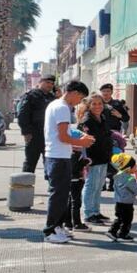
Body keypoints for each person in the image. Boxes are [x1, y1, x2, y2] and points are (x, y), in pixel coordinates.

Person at [42, 81, 94, 244]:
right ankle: (50, 230)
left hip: (60, 155)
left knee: (63, 194)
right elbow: (63, 136)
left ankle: (58, 227)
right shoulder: (62, 107)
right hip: (58, 157)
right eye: (81, 97)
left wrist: (79, 138)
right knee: (58, 195)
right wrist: (81, 143)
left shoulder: (57, 105)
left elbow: (67, 132)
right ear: (74, 92)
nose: (79, 102)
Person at [79, 93, 114, 225]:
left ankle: (96, 211)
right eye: (94, 104)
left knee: (99, 186)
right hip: (92, 157)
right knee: (91, 185)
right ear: (89, 105)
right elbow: (85, 140)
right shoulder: (87, 120)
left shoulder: (102, 117)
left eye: (100, 103)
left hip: (103, 156)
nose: (97, 106)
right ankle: (88, 214)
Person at [17, 74, 56, 173]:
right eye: (47, 82)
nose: (50, 85)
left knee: (49, 163)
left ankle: (51, 188)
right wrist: (26, 132)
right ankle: (25, 187)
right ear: (40, 82)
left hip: (48, 136)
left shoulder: (53, 98)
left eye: (52, 83)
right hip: (34, 135)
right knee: (30, 163)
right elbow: (22, 115)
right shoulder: (31, 95)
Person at [107, 152, 137, 241]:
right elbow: (136, 189)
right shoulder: (130, 179)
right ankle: (118, 233)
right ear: (129, 168)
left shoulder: (118, 176)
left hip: (118, 201)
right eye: (135, 165)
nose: (136, 167)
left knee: (120, 218)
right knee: (127, 220)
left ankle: (116, 232)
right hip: (127, 203)